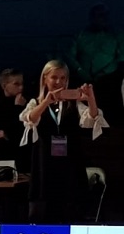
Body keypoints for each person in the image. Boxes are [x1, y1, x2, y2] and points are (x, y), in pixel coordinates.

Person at [19, 60, 108, 223]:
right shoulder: (36, 102)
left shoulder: (74, 103)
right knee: (42, 211)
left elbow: (92, 119)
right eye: (54, 77)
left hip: (70, 163)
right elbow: (30, 119)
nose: (58, 82)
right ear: (45, 78)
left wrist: (90, 98)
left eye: (62, 78)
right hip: (44, 163)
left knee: (71, 209)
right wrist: (46, 102)